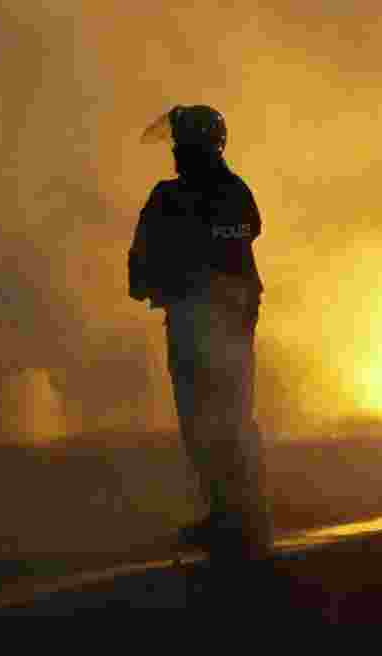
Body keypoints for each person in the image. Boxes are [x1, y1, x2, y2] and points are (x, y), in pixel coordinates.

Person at [129, 105, 271, 558]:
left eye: (181, 142)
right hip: (221, 321)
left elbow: (143, 265)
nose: (175, 151)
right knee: (220, 417)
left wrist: (165, 278)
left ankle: (235, 514)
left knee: (211, 418)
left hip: (206, 322)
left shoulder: (178, 198)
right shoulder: (229, 192)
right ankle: (235, 512)